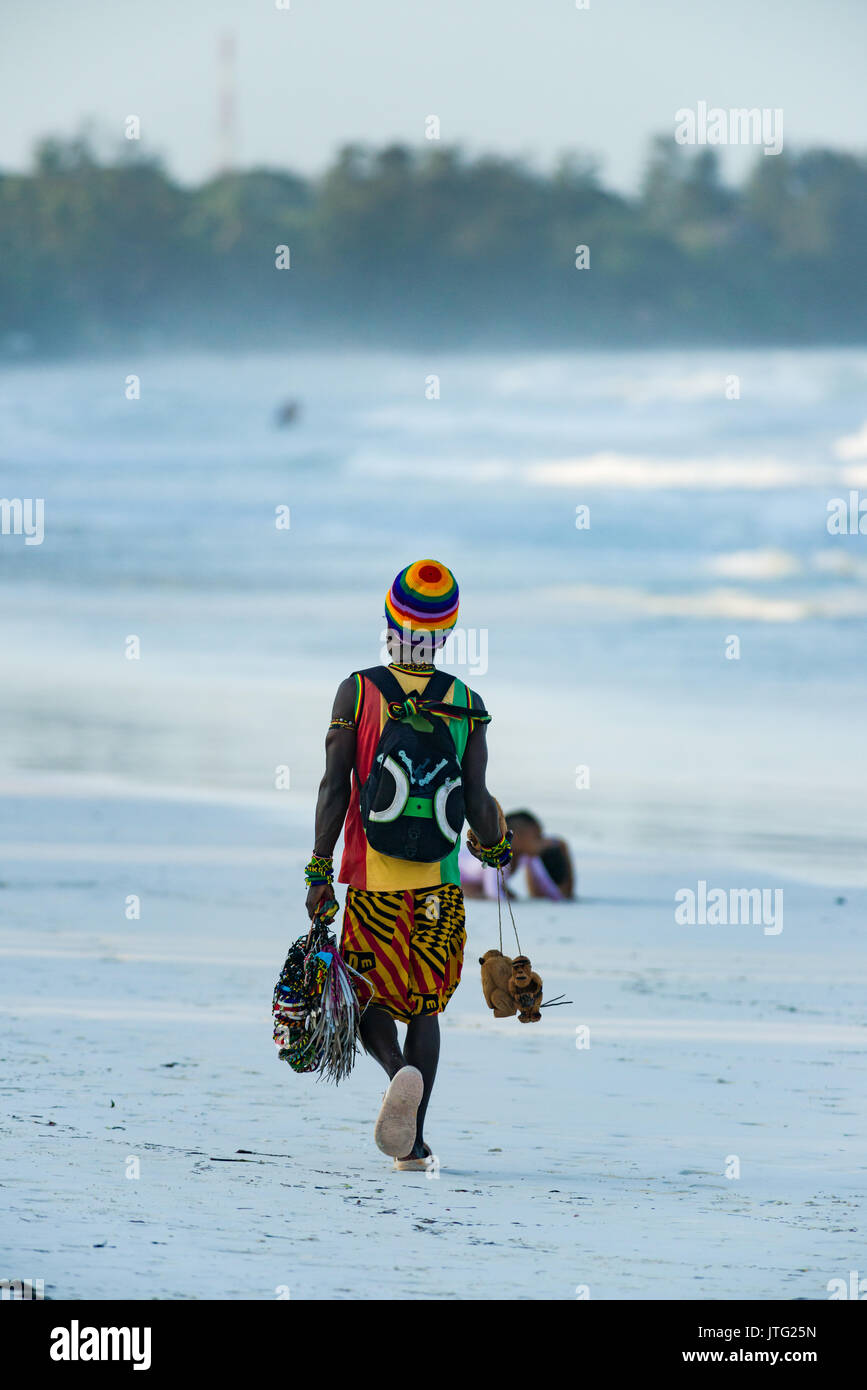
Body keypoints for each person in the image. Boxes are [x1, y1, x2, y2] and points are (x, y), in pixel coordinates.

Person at [304, 560, 509, 1170]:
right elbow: (477, 799)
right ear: (446, 631)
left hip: (373, 883)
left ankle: (397, 1074)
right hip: (439, 889)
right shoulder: (467, 704)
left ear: (390, 619)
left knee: (367, 1000)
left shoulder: (358, 691)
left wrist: (319, 870)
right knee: (425, 1008)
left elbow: (333, 789)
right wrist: (496, 848)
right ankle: (413, 1142)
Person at [460, 809, 575, 901]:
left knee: (507, 893)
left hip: (480, 880)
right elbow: (493, 892)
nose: (542, 841)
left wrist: (557, 896)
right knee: (474, 891)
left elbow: (543, 883)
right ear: (516, 838)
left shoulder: (525, 855)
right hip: (456, 873)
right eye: (537, 837)